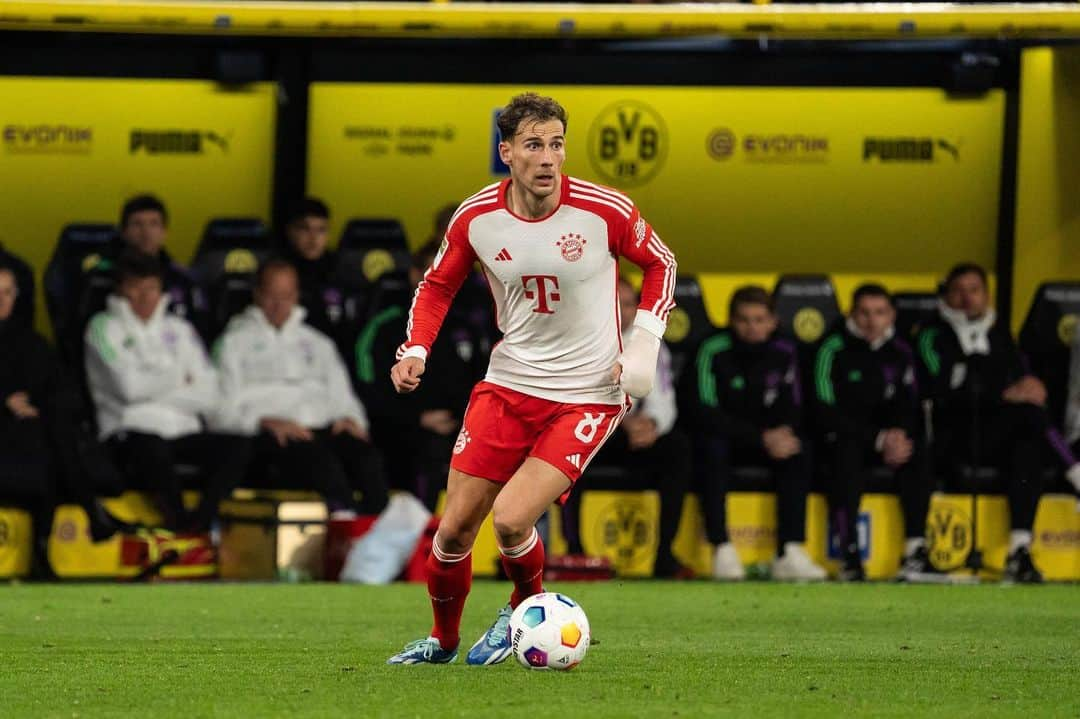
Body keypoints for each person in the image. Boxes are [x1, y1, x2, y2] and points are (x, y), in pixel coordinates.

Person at [386, 92, 676, 665]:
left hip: (588, 393)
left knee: (515, 517)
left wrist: (644, 342)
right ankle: (442, 642)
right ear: (507, 152)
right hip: (510, 383)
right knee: (453, 533)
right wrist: (416, 347)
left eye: (557, 145)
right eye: (534, 145)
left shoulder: (604, 209)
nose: (548, 158)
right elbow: (438, 285)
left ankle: (526, 614)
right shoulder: (476, 217)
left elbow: (662, 263)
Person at [84, 251, 251, 532]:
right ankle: (178, 522)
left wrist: (155, 383)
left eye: (151, 287)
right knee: (151, 446)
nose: (144, 296)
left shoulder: (181, 329)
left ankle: (201, 520)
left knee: (240, 446)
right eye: (135, 287)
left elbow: (210, 394)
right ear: (121, 289)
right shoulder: (102, 328)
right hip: (127, 434)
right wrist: (179, 377)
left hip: (182, 433)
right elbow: (129, 389)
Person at [212, 259, 389, 516]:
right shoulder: (232, 343)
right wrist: (262, 421)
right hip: (268, 433)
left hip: (322, 427)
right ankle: (344, 527)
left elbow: (344, 396)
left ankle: (382, 529)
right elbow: (220, 408)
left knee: (366, 457)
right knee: (319, 459)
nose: (279, 304)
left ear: (296, 296)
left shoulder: (317, 343)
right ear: (257, 294)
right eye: (272, 295)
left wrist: (350, 419)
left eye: (286, 295)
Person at [916, 263, 1049, 583]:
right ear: (946, 295)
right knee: (1025, 419)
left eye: (974, 290)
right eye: (958, 291)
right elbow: (943, 390)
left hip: (997, 432)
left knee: (1029, 432)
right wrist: (1002, 393)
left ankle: (1019, 549)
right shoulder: (931, 333)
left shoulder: (999, 331)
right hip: (954, 434)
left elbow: (1019, 377)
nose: (966, 298)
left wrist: (1027, 387)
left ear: (986, 295)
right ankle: (1074, 469)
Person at [683, 286, 826, 582]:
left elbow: (798, 404)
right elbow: (703, 410)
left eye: (760, 319)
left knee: (800, 449)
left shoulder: (786, 350)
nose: (752, 327)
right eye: (744, 320)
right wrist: (760, 437)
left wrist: (781, 434)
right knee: (711, 448)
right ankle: (721, 547)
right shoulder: (712, 348)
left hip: (769, 440)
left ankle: (789, 549)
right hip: (728, 437)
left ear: (773, 321)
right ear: (731, 320)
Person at [560, 277, 692, 578]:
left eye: (629, 304)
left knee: (678, 448)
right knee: (566, 445)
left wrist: (652, 425)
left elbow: (663, 399)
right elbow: (573, 399)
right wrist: (622, 424)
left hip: (634, 437)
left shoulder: (648, 344)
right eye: (615, 304)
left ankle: (664, 556)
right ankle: (574, 551)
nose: (622, 310)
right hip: (594, 432)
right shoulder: (580, 341)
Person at [1, 266, 127, 577]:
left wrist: (38, 406)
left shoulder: (31, 342)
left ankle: (46, 548)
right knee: (52, 442)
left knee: (51, 431)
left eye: (6, 292)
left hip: (31, 439)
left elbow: (60, 388)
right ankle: (90, 510)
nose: (1, 300)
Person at [814, 284, 933, 581]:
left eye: (879, 313)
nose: (872, 321)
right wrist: (877, 438)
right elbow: (824, 410)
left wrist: (899, 436)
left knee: (918, 455)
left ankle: (915, 551)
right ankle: (850, 556)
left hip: (889, 441)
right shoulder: (831, 349)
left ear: (891, 315)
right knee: (844, 457)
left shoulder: (903, 351)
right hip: (847, 438)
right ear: (851, 314)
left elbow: (912, 403)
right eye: (864, 313)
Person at [355, 241, 484, 511]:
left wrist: (463, 420)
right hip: (400, 428)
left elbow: (485, 384)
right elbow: (368, 391)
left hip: (463, 426)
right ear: (415, 274)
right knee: (431, 450)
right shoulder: (385, 326)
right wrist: (417, 419)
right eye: (433, 271)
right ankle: (420, 541)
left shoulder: (469, 327)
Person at [109, 194, 209, 340]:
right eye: (137, 224)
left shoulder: (185, 279)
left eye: (154, 224)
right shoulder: (108, 277)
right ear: (124, 232)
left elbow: (202, 329)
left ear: (164, 232)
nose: (146, 232)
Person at [279, 196, 346, 342]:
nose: (313, 238)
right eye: (305, 229)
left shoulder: (339, 271)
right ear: (290, 231)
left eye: (321, 230)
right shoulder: (278, 272)